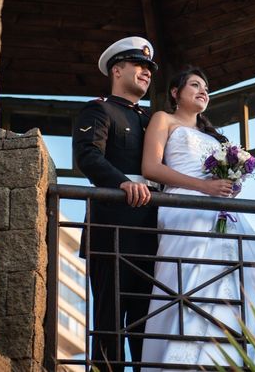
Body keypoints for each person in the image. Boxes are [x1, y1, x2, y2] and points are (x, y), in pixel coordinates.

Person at [140, 67, 255, 369]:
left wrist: (230, 185)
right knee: (191, 277)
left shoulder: (216, 137)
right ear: (176, 92)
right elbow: (151, 167)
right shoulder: (164, 120)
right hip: (183, 204)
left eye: (206, 88)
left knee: (248, 269)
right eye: (195, 85)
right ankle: (184, 356)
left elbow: (224, 180)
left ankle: (239, 352)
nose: (203, 91)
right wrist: (204, 186)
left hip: (222, 208)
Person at [72, 36, 159, 371]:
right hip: (112, 226)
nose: (146, 72)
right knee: (110, 318)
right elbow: (87, 155)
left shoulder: (152, 120)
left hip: (152, 228)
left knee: (148, 320)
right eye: (139, 65)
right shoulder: (99, 109)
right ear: (117, 69)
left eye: (149, 67)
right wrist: (120, 182)